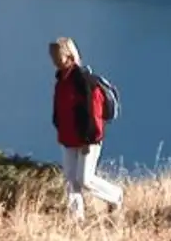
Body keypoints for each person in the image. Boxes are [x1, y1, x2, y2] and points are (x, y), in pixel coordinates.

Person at [49, 37, 123, 221]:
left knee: (85, 179)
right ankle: (76, 220)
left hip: (87, 140)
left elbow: (93, 113)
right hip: (68, 138)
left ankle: (116, 195)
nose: (55, 60)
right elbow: (59, 109)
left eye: (58, 56)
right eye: (53, 57)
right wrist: (58, 125)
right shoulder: (61, 81)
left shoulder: (83, 80)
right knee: (71, 181)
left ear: (69, 56)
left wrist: (89, 140)